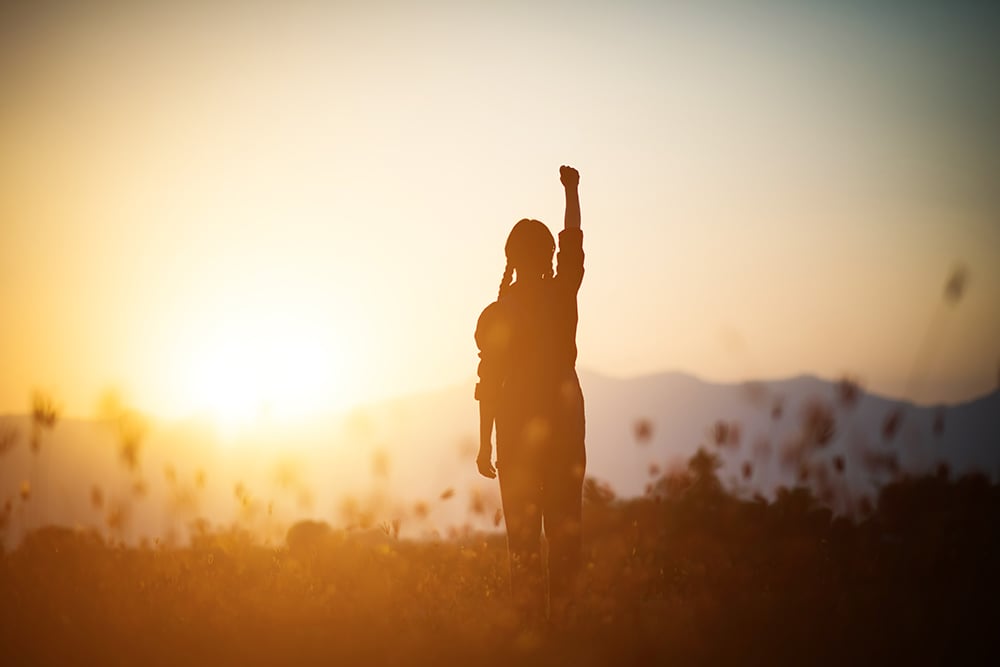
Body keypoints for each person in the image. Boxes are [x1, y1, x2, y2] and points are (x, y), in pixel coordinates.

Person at [474, 165, 586, 623]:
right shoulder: (563, 293)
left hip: (516, 431)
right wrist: (572, 192)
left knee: (521, 538)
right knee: (565, 531)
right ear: (546, 258)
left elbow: (488, 386)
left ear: (512, 259)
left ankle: (530, 632)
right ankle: (567, 626)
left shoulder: (499, 312)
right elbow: (574, 242)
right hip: (565, 422)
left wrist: (485, 444)